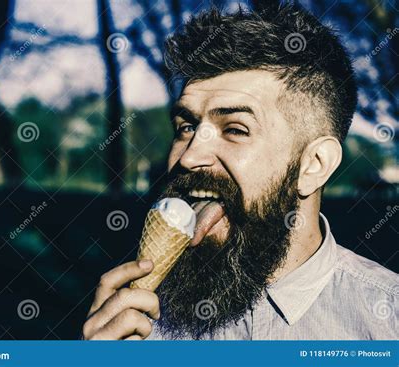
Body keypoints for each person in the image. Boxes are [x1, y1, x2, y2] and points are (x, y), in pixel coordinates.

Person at [82, 2, 398, 340]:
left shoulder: (385, 321)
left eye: (235, 129)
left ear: (314, 165)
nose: (189, 158)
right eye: (186, 126)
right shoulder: (135, 322)